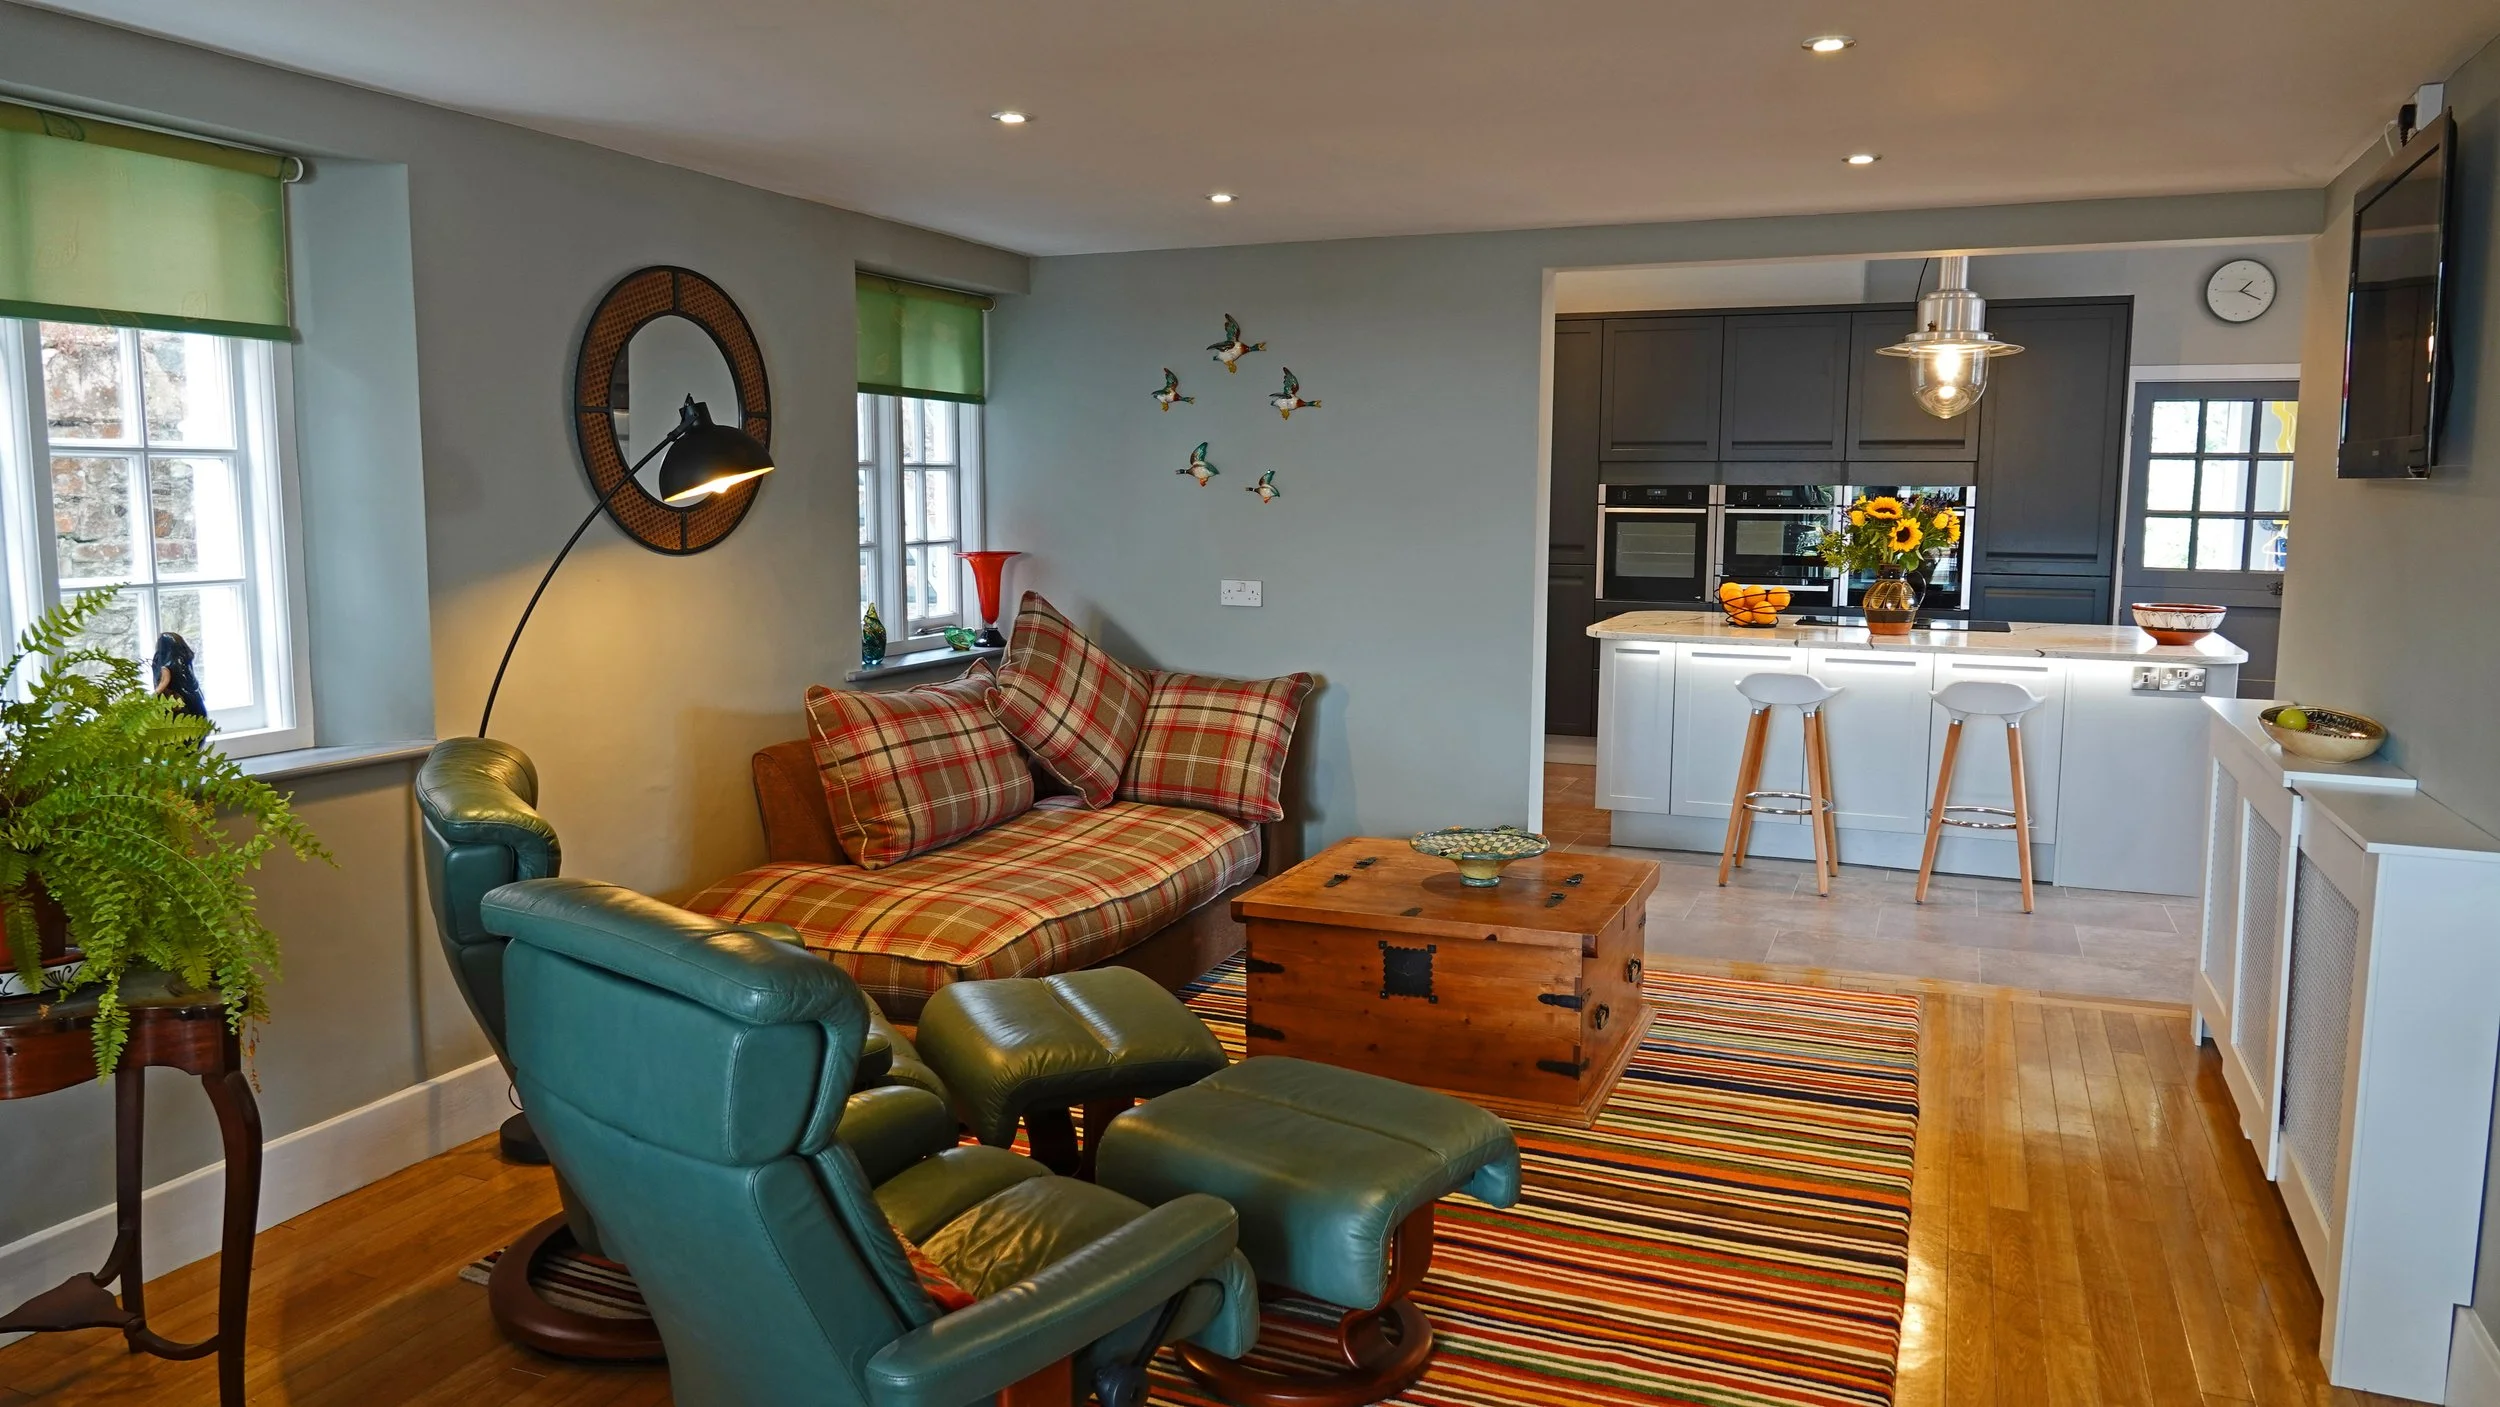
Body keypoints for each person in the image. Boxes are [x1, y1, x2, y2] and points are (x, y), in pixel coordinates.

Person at [152, 633, 210, 726]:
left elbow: (164, 683)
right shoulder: (184, 661)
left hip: (180, 710)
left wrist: (151, 698)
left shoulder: (168, 665)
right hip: (193, 705)